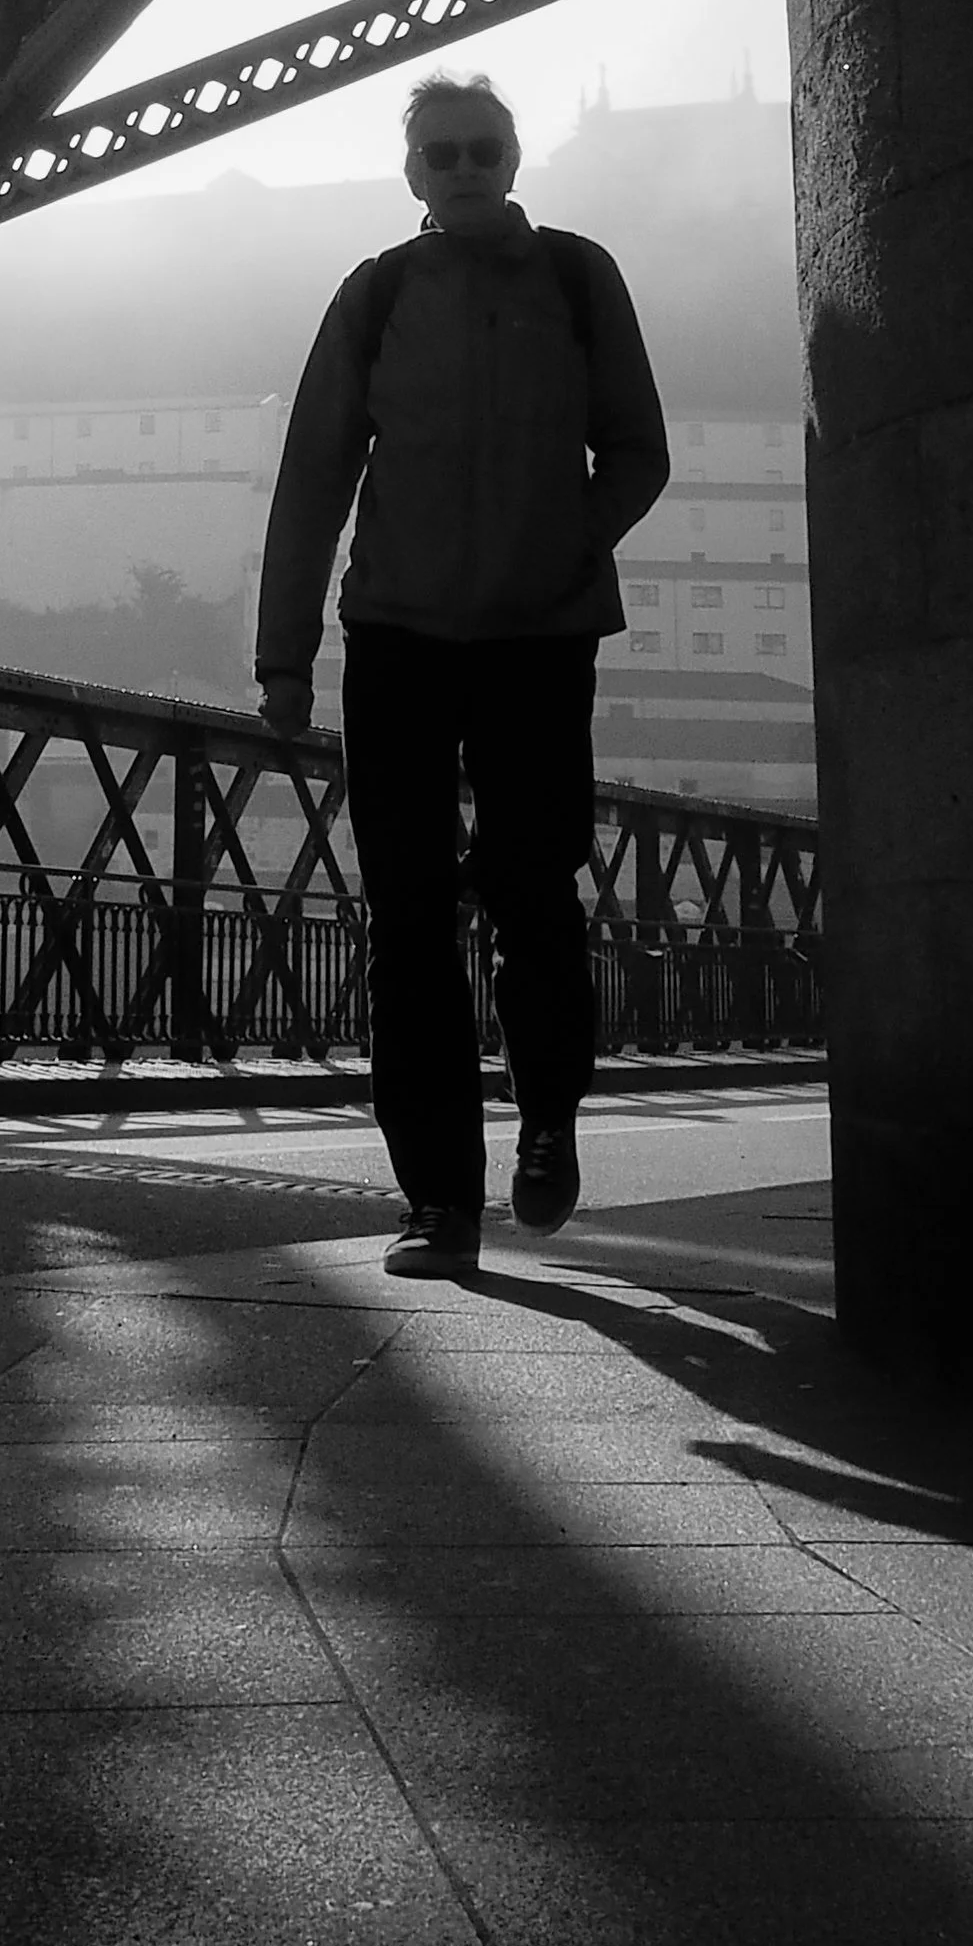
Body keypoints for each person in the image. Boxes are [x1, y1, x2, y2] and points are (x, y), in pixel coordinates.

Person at [254, 73, 667, 1278]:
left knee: (535, 899)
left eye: (484, 147)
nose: (466, 166)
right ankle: (438, 1199)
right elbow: (312, 480)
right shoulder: (376, 294)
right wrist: (285, 660)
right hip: (397, 639)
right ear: (413, 174)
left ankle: (546, 1117)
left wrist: (565, 544)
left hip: (540, 639)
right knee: (409, 922)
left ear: (515, 154)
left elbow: (638, 449)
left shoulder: (581, 277)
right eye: (443, 153)